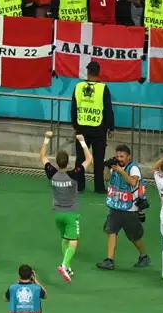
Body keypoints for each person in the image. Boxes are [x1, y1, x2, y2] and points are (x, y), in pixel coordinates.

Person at [40, 131, 91, 283]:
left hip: (57, 213)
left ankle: (67, 266)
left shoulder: (51, 173)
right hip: (71, 213)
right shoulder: (74, 174)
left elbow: (42, 156)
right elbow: (89, 159)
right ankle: (63, 265)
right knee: (74, 239)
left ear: (56, 162)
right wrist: (82, 141)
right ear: (68, 162)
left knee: (64, 239)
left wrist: (47, 138)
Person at [96, 144, 150, 270]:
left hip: (130, 209)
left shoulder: (133, 168)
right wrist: (107, 167)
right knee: (111, 231)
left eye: (122, 156)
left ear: (128, 157)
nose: (119, 159)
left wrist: (120, 171)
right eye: (117, 156)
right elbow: (106, 178)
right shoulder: (115, 166)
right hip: (116, 205)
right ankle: (109, 260)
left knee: (134, 236)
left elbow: (133, 182)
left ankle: (144, 255)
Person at [70, 61, 114, 192]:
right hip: (98, 128)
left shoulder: (78, 87)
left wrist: (75, 125)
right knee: (99, 159)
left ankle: (79, 185)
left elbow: (74, 108)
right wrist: (110, 127)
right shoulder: (103, 88)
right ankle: (99, 187)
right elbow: (108, 109)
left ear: (88, 72)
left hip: (81, 128)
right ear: (99, 72)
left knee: (81, 158)